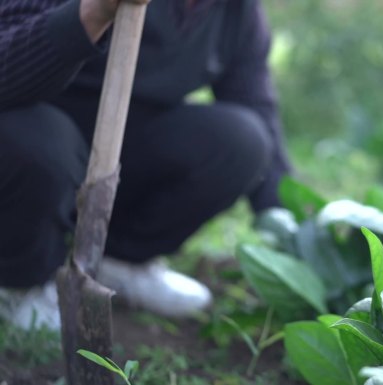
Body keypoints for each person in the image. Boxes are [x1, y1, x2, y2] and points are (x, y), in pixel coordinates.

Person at [0, 0, 292, 331]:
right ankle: (20, 279)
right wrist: (91, 13)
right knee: (43, 147)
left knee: (241, 141)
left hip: (118, 147)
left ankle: (119, 260)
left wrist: (296, 228)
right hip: (28, 132)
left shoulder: (233, 10)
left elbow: (254, 102)